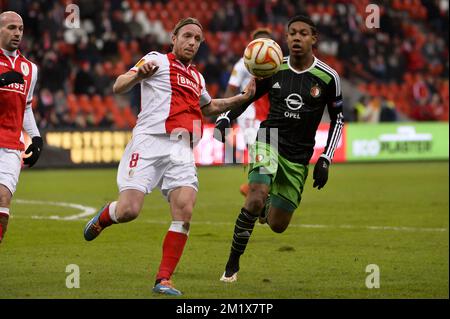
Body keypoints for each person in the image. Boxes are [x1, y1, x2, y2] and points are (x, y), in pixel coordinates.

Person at [83, 17, 255, 296]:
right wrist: (138, 75)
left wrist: (241, 99)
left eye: (197, 39)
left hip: (181, 148)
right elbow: (118, 85)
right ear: (173, 38)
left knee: (185, 210)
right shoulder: (156, 60)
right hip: (148, 142)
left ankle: (163, 279)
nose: (192, 42)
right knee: (129, 211)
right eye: (187, 36)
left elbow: (209, 107)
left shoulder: (197, 77)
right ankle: (106, 216)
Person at [215, 15, 344, 282]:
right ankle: (231, 266)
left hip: (299, 154)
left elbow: (338, 118)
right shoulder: (274, 68)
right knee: (254, 196)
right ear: (285, 38)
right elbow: (248, 97)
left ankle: (268, 204)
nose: (297, 38)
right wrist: (227, 116)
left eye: (303, 33)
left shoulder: (328, 77)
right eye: (292, 33)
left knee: (277, 225)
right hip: (269, 138)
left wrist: (326, 158)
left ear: (313, 38)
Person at [0, 11, 43, 244]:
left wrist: (36, 138)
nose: (17, 33)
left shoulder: (30, 69)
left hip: (9, 146)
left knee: (3, 198)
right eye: (11, 28)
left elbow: (26, 108)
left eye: (20, 28)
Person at [220, 28, 272, 196]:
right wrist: (225, 113)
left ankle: (262, 185)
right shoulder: (243, 64)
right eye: (259, 42)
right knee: (255, 148)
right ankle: (254, 185)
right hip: (249, 113)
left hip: (269, 112)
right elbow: (231, 88)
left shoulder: (276, 63)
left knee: (268, 149)